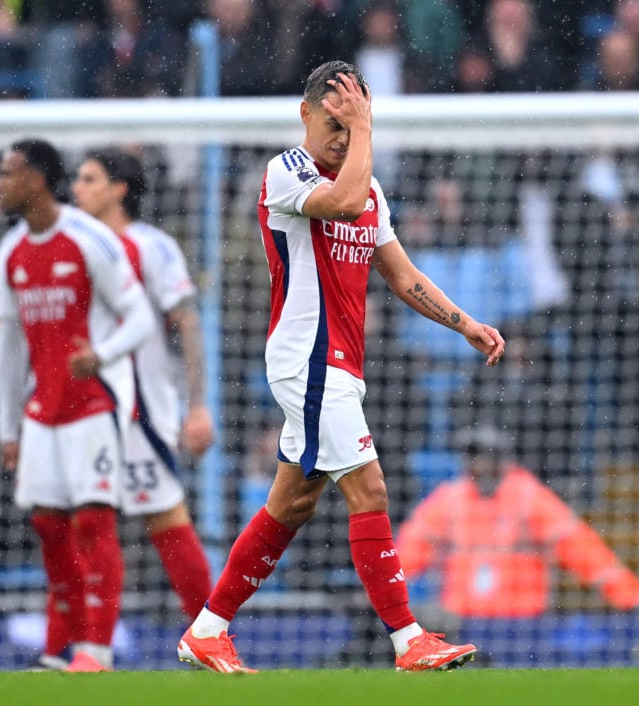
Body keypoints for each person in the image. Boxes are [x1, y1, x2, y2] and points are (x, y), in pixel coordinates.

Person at [177, 60, 505, 674]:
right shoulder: (287, 171)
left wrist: (466, 324)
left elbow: (403, 276)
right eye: (336, 122)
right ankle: (409, 638)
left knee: (292, 506)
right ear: (306, 114)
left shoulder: (371, 190)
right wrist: (368, 132)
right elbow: (345, 197)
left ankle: (208, 629)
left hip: (340, 364)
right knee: (369, 487)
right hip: (307, 358)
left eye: (353, 125)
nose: (344, 135)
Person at [0, 146, 215, 625]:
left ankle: (209, 633)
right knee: (66, 524)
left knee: (164, 520)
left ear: (119, 190)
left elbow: (185, 322)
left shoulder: (151, 246)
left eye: (90, 179)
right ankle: (70, 649)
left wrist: (198, 406)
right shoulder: (61, 242)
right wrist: (8, 325)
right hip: (75, 408)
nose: (78, 189)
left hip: (139, 409)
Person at [0, 138, 154, 672]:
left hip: (92, 405)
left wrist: (101, 354)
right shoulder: (10, 251)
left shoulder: (89, 240)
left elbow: (141, 316)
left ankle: (97, 650)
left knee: (93, 523)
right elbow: (8, 346)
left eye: (8, 173)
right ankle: (63, 646)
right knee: (49, 526)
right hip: (43, 410)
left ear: (36, 179)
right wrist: (8, 426)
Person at [396, 425, 639, 621]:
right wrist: (383, 594)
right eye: (471, 456)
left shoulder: (529, 497)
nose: (476, 463)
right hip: (463, 619)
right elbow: (409, 551)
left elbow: (583, 550)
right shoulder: (451, 498)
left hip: (520, 621)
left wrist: (629, 596)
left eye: (482, 455)